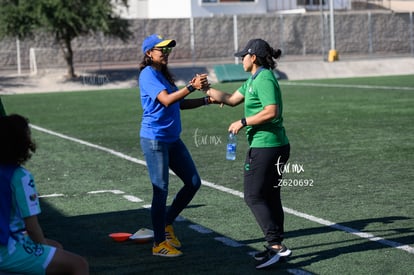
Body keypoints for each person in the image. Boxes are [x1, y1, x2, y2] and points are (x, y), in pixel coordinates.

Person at [205, 38, 292, 269]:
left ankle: (276, 247)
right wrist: (204, 89)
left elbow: (271, 111)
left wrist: (243, 122)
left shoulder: (264, 79)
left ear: (253, 57)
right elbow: (231, 100)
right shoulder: (253, 79)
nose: (240, 59)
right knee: (270, 196)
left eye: (243, 55)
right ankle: (276, 244)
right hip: (273, 145)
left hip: (267, 147)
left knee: (253, 196)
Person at [138, 34, 212, 257]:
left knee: (193, 182)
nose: (166, 53)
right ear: (149, 53)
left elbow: (178, 105)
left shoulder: (163, 75)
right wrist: (192, 86)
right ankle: (158, 243)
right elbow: (167, 100)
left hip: (172, 139)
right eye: (162, 50)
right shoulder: (147, 74)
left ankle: (166, 224)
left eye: (168, 50)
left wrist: (206, 100)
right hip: (155, 140)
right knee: (160, 190)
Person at [0, 114, 89, 275]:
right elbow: (32, 227)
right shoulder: (20, 177)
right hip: (6, 248)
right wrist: (41, 247)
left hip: (6, 243)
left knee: (57, 248)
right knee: (78, 265)